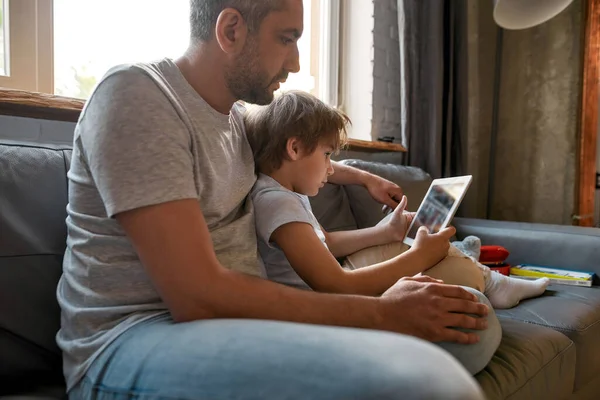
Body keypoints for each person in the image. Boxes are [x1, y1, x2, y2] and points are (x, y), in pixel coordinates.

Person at [57, 1, 494, 399]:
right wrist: (383, 312)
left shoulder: (238, 121)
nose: (297, 61)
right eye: (287, 39)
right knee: (434, 384)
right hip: (135, 336)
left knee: (470, 332)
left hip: (240, 324)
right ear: (231, 30)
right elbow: (197, 298)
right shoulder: (138, 96)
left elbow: (300, 155)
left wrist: (363, 179)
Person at [245, 90, 549, 316]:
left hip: (336, 283)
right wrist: (416, 257)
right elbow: (338, 285)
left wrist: (385, 232)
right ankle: (488, 279)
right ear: (294, 148)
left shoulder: (287, 191)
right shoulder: (278, 205)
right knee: (431, 255)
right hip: (327, 304)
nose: (330, 168)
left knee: (408, 237)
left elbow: (326, 242)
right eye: (327, 154)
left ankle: (482, 273)